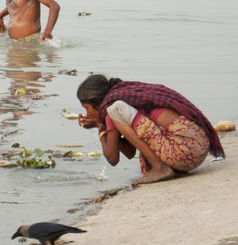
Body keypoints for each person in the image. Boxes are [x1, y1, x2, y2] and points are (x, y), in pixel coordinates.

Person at [77, 75, 225, 186]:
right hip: (195, 149)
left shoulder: (111, 105)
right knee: (116, 110)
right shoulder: (122, 96)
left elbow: (112, 159)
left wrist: (101, 128)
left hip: (185, 150)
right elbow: (130, 152)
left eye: (86, 108)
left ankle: (159, 168)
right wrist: (100, 125)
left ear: (97, 102)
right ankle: (160, 167)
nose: (87, 114)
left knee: (115, 109)